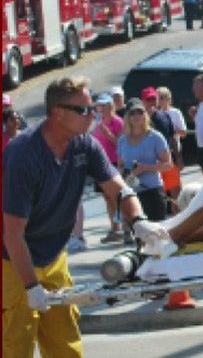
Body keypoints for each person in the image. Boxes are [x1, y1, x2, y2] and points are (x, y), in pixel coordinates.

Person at [2, 76, 148, 357]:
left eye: (92, 107)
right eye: (83, 110)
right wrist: (32, 287)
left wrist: (140, 222)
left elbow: (119, 189)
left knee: (65, 344)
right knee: (15, 345)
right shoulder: (22, 154)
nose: (92, 115)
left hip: (55, 257)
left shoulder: (85, 145)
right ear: (57, 113)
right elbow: (13, 232)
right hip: (12, 262)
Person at [117, 100, 173, 221]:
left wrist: (145, 168)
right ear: (127, 117)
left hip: (152, 190)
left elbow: (168, 165)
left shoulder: (155, 137)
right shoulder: (123, 140)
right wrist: (129, 174)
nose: (137, 116)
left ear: (145, 115)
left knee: (157, 233)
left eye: (140, 112)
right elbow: (120, 166)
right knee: (139, 236)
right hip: (132, 194)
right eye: (132, 113)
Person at [141, 87, 184, 212]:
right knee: (155, 196)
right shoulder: (139, 119)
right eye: (148, 99)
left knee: (176, 193)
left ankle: (179, 223)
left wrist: (179, 157)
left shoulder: (165, 116)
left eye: (154, 99)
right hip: (150, 163)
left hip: (167, 159)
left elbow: (172, 138)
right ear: (143, 101)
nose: (152, 102)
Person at [92, 94, 127, 243]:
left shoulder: (117, 122)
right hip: (101, 163)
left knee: (118, 196)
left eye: (103, 106)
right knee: (107, 197)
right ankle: (115, 228)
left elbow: (122, 143)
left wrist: (108, 134)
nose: (100, 109)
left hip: (114, 163)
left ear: (110, 106)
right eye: (98, 106)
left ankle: (125, 227)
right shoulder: (98, 124)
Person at [157, 86, 187, 215]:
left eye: (161, 97)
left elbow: (183, 133)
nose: (159, 100)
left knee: (175, 187)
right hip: (158, 155)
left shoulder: (175, 113)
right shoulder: (153, 115)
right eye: (157, 97)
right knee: (162, 187)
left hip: (172, 152)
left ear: (168, 99)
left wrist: (170, 130)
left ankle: (180, 213)